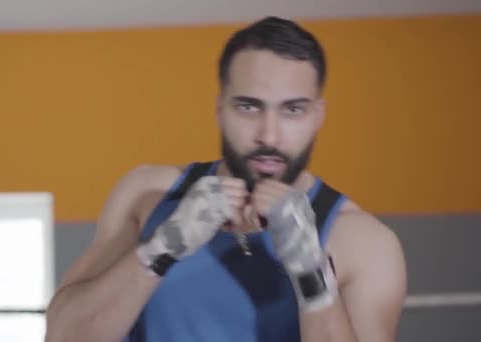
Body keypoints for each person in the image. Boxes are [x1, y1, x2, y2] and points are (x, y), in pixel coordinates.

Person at [44, 16, 407, 342]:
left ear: (317, 116)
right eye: (249, 106)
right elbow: (63, 337)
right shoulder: (149, 194)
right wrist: (158, 250)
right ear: (220, 110)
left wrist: (312, 276)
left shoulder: (364, 243)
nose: (269, 135)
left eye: (292, 110)